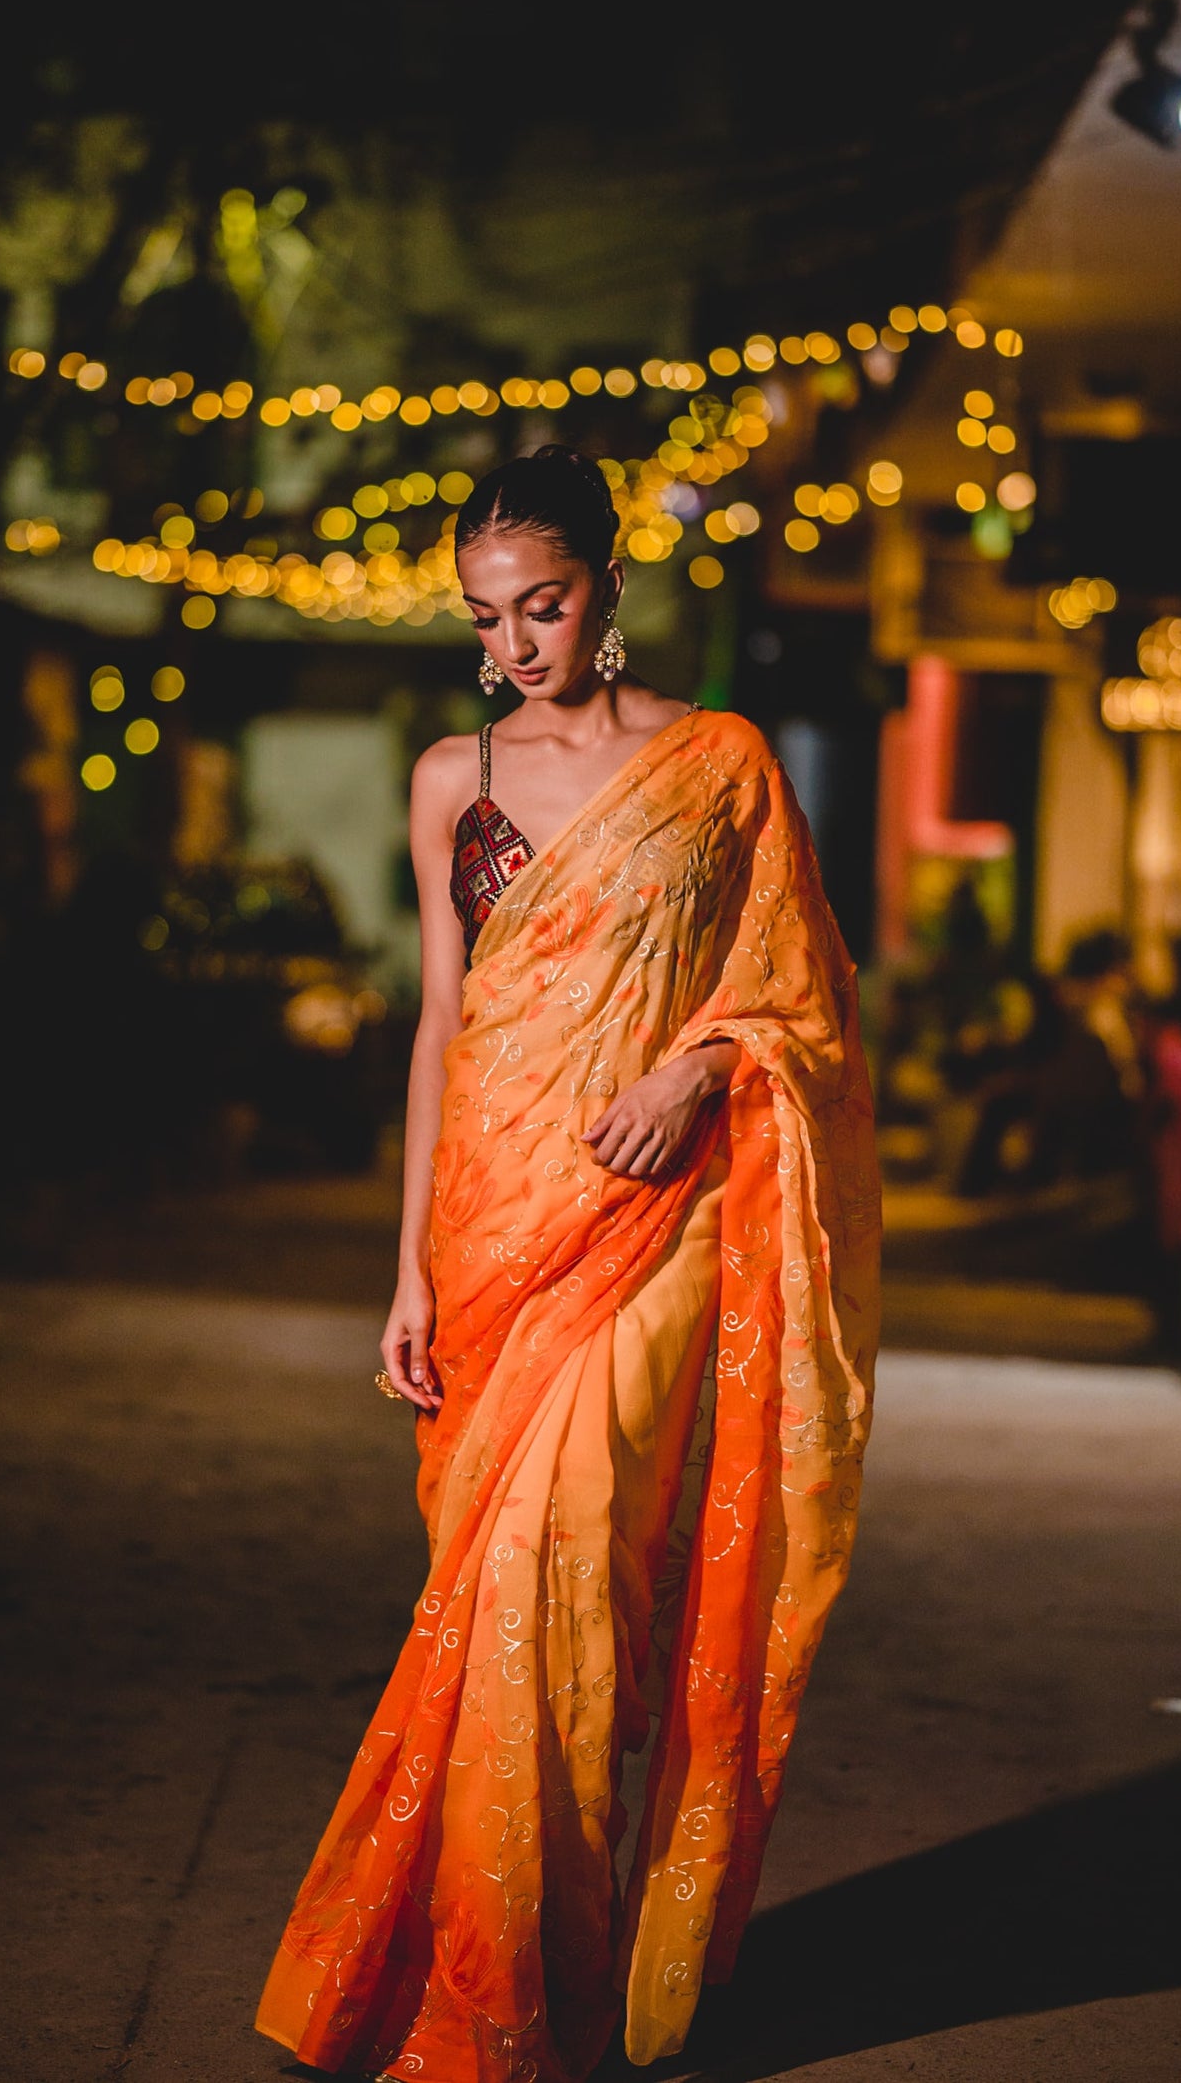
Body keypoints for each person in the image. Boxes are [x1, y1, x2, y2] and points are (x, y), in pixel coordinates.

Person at [256, 445, 881, 2083]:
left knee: (581, 1551)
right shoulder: (448, 775)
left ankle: (526, 1983)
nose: (514, 645)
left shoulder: (716, 762)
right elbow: (445, 1026)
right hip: (490, 1218)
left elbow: (799, 993)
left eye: (541, 605)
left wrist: (699, 1069)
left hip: (657, 1215)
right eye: (486, 615)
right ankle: (520, 1961)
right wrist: (403, 1269)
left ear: (608, 586)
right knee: (500, 1588)